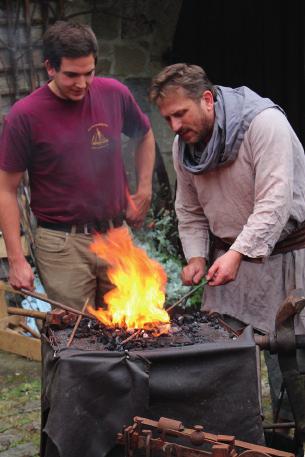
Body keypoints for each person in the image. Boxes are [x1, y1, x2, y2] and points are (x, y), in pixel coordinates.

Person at [149, 63, 305, 424]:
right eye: (167, 118)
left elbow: (274, 203)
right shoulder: (183, 145)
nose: (174, 127)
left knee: (291, 366)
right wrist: (197, 257)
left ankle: (295, 437)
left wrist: (237, 253)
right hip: (230, 270)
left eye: (179, 115)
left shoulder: (264, 125)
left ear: (207, 99)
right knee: (221, 363)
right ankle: (236, 436)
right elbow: (188, 210)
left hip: (286, 262)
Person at [0, 21, 155, 311]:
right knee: (73, 338)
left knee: (133, 329)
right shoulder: (24, 116)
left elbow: (144, 135)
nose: (82, 84)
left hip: (116, 235)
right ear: (50, 67)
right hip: (62, 245)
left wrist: (144, 188)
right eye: (71, 75)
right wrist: (17, 260)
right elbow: (5, 190)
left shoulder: (114, 93)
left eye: (89, 73)